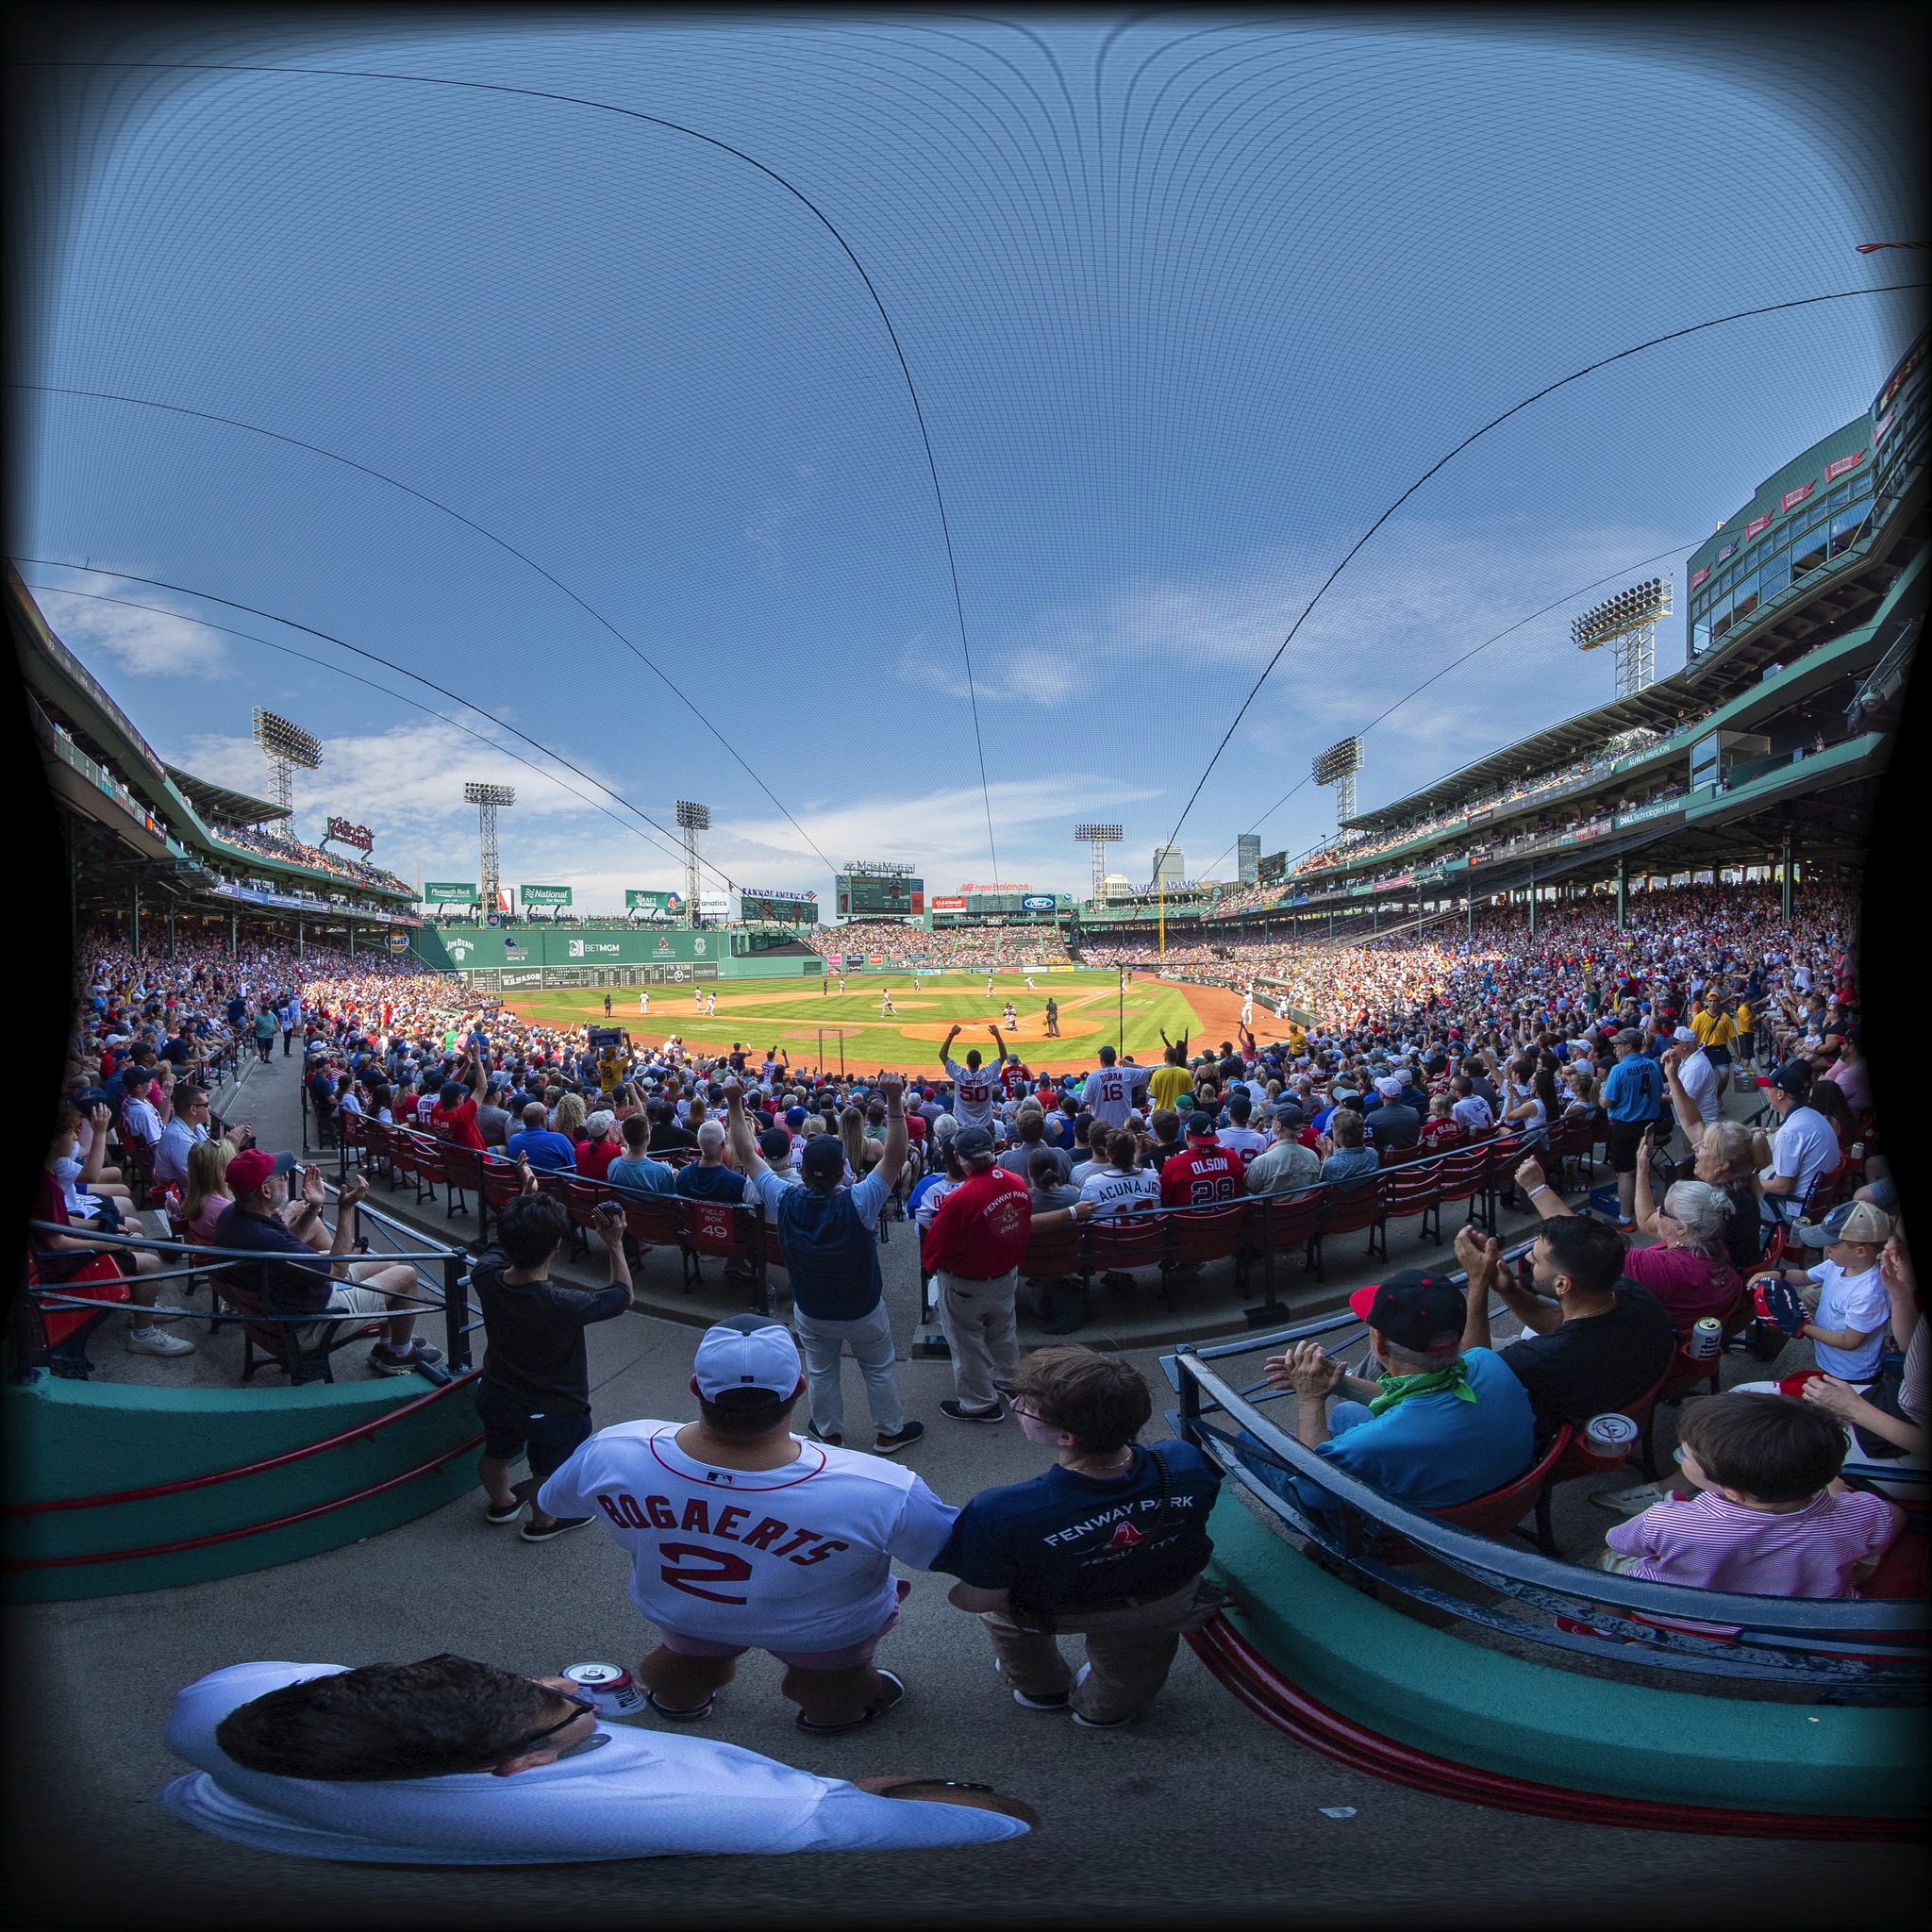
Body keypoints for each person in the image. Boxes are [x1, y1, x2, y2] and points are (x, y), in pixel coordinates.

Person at [164, 1656, 1034, 1861]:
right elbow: (993, 1825)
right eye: (562, 1713)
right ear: (515, 1768)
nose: (570, 1689)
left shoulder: (227, 1697)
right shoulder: (744, 1815)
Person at [538, 1317, 958, 1733]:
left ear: (696, 1387)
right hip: (822, 1629)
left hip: (684, 1611)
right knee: (831, 1686)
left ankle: (679, 1703)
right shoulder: (880, 1487)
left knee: (686, 1664)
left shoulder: (615, 1449)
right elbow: (948, 1551)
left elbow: (556, 1503)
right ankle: (833, 1718)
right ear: (799, 1388)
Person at [936, 1349, 1224, 1728]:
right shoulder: (1181, 1460)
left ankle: (1042, 1688)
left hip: (1056, 1608)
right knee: (1132, 1666)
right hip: (1164, 1598)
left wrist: (959, 1595)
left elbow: (980, 1598)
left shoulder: (1003, 1510)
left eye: (1027, 1404)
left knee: (1005, 1618)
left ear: (1066, 1437)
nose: (1017, 1403)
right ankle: (1104, 1711)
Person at [721, 1077, 922, 1454]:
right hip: (861, 1306)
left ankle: (829, 1433)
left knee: (821, 1370)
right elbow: (895, 1157)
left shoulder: (784, 1198)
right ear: (842, 1168)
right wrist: (894, 1101)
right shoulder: (860, 1200)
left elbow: (747, 1155)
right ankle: (888, 1433)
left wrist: (734, 1105)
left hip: (811, 1308)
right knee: (877, 1369)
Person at [1265, 1270, 1535, 1511]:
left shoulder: (1373, 1442)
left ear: (1380, 1343)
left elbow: (1314, 1493)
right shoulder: (1488, 1361)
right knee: (1347, 1411)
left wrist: (1310, 1398)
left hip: (1425, 1533)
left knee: (1254, 1441)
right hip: (1504, 1501)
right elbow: (1418, 1402)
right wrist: (1341, 1383)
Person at [1601, 1392, 1901, 1596]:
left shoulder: (1667, 1519)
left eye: (1687, 1456)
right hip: (1800, 1621)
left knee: (1611, 1559)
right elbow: (1893, 1517)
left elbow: (1619, 1541)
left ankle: (1603, 1627)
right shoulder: (1860, 1515)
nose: (1682, 1458)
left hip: (1683, 1613)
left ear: (1734, 1492)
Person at [474, 1169, 633, 1541]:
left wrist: (524, 1198)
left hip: (496, 1393)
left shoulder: (486, 1273)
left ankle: (502, 1503)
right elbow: (621, 1295)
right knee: (548, 1467)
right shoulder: (564, 1303)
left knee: (496, 1451)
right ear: (557, 1247)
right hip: (554, 1408)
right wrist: (614, 1242)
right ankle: (543, 1521)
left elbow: (503, 1243)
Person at [213, 1150, 441, 1375]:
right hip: (309, 1324)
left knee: (390, 1264)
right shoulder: (267, 1240)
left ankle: (386, 1344)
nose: (287, 1177)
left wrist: (313, 1208)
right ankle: (401, 1354)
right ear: (265, 1190)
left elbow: (287, 1241)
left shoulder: (234, 1215)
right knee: (406, 1275)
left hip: (279, 1313)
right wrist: (346, 1208)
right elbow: (337, 1269)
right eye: (281, 1175)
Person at [1457, 1215, 1674, 1426]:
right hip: (1618, 1408)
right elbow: (1565, 1325)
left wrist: (1477, 1280)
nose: (1528, 1258)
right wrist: (1508, 1288)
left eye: (1537, 1258)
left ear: (1562, 1284)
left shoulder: (1539, 1359)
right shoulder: (1634, 1294)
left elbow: (1472, 1374)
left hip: (1558, 1447)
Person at [923, 1126, 1035, 1424]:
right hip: (1005, 1275)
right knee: (1003, 1333)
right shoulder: (1017, 1182)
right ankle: (1013, 1382)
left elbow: (933, 1252)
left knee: (967, 1343)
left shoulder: (960, 1199)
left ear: (959, 1158)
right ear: (994, 1150)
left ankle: (980, 1404)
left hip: (965, 1284)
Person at [1749, 1200, 1893, 1387]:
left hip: (1854, 1372)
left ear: (1860, 1252)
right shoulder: (1837, 1264)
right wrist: (1777, 1273)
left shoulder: (1870, 1293)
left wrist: (1801, 1326)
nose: (1826, 1249)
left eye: (1832, 1246)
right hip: (1830, 1358)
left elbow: (1849, 1341)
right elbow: (1805, 1276)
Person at [1757, 1060, 1840, 1228]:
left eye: (1769, 1088)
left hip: (1792, 1211)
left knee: (1731, 1196)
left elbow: (1782, 1188)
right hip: (1815, 1204)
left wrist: (1748, 1182)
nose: (1766, 1092)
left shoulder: (1790, 1133)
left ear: (1780, 1094)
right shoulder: (1814, 1115)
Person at [1600, 1027, 1664, 1231]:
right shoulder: (1653, 1064)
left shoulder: (1618, 1070)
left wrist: (1601, 1093)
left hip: (1625, 1127)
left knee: (1625, 1173)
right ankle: (1643, 1209)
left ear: (1628, 1046)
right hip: (1649, 1125)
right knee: (1642, 1169)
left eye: (1618, 1044)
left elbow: (1606, 1102)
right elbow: (1659, 1092)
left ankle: (1625, 1219)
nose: (1615, 1047)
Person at [1160, 1112, 1243, 1208]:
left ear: (1186, 1135)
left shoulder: (1174, 1165)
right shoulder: (1232, 1157)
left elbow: (1165, 1203)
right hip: (1231, 1220)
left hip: (1187, 1221)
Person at [938, 1025, 1001, 1133]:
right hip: (984, 1124)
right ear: (981, 1062)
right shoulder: (987, 1075)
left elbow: (942, 1055)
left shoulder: (959, 1075)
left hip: (962, 1123)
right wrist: (997, 1036)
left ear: (966, 1062)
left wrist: (951, 1035)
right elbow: (1003, 1056)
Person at [1245, 1106, 1320, 1195]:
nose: (1272, 1120)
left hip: (1270, 1208)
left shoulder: (1261, 1162)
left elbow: (1250, 1189)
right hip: (1307, 1208)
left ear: (1279, 1126)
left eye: (1273, 1118)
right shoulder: (1312, 1156)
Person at [606, 1112, 675, 1195]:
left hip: (623, 1207)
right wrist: (671, 1174)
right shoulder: (663, 1171)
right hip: (652, 1207)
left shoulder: (614, 1164)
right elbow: (671, 1199)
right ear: (647, 1136)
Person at [505, 1103, 576, 1174]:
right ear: (544, 1119)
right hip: (558, 1185)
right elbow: (575, 1166)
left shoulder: (513, 1140)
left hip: (524, 1184)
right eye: (547, 1114)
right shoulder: (559, 1139)